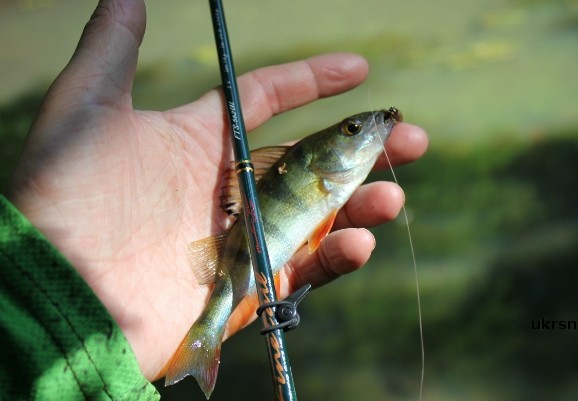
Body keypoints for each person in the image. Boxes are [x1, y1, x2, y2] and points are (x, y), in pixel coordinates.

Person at [0, 0, 428, 400]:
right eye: (352, 129)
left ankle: (200, 344)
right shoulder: (320, 178)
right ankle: (202, 341)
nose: (365, 128)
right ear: (320, 157)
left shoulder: (326, 180)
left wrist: (43, 303)